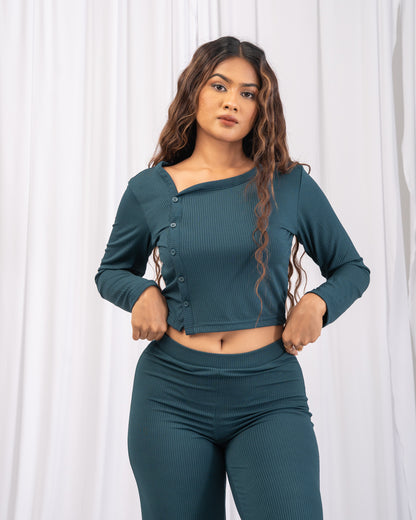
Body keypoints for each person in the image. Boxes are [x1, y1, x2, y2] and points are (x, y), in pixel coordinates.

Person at [95, 36, 370, 520]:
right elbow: (111, 271)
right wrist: (141, 291)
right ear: (194, 92)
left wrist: (317, 304)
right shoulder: (149, 189)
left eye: (248, 93)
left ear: (261, 108)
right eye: (219, 86)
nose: (232, 102)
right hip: (170, 396)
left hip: (269, 393)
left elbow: (352, 268)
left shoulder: (289, 184)